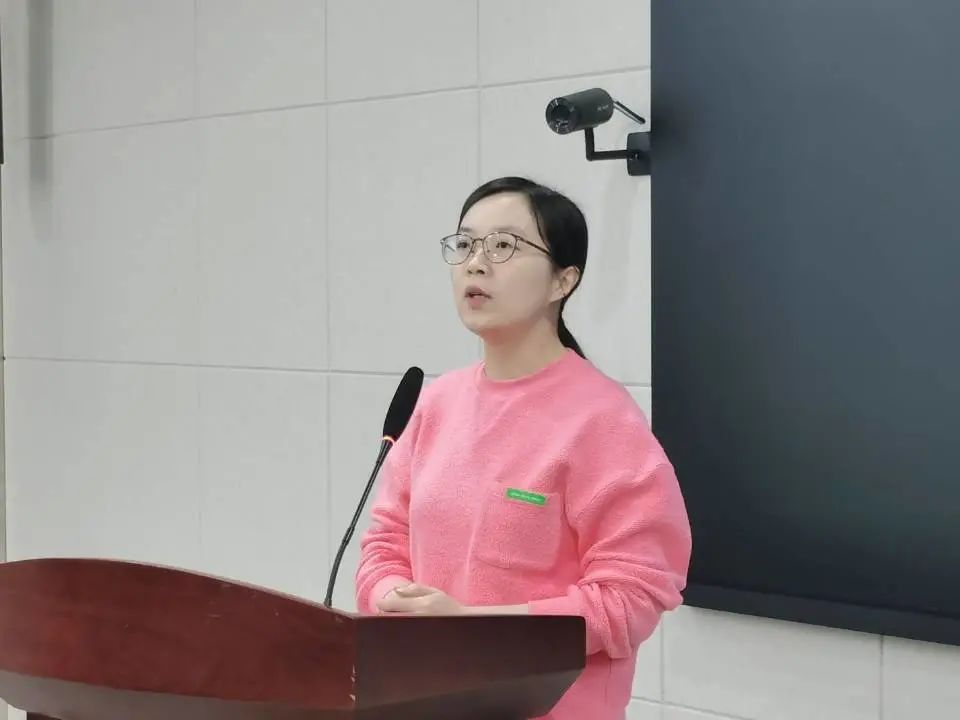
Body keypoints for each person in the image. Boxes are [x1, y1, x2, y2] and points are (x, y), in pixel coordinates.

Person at [355, 176, 692, 720]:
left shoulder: (602, 421)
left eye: (503, 246)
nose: (475, 264)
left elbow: (635, 594)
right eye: (465, 244)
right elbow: (384, 544)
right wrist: (390, 596)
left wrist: (474, 628)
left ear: (563, 279)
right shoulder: (435, 404)